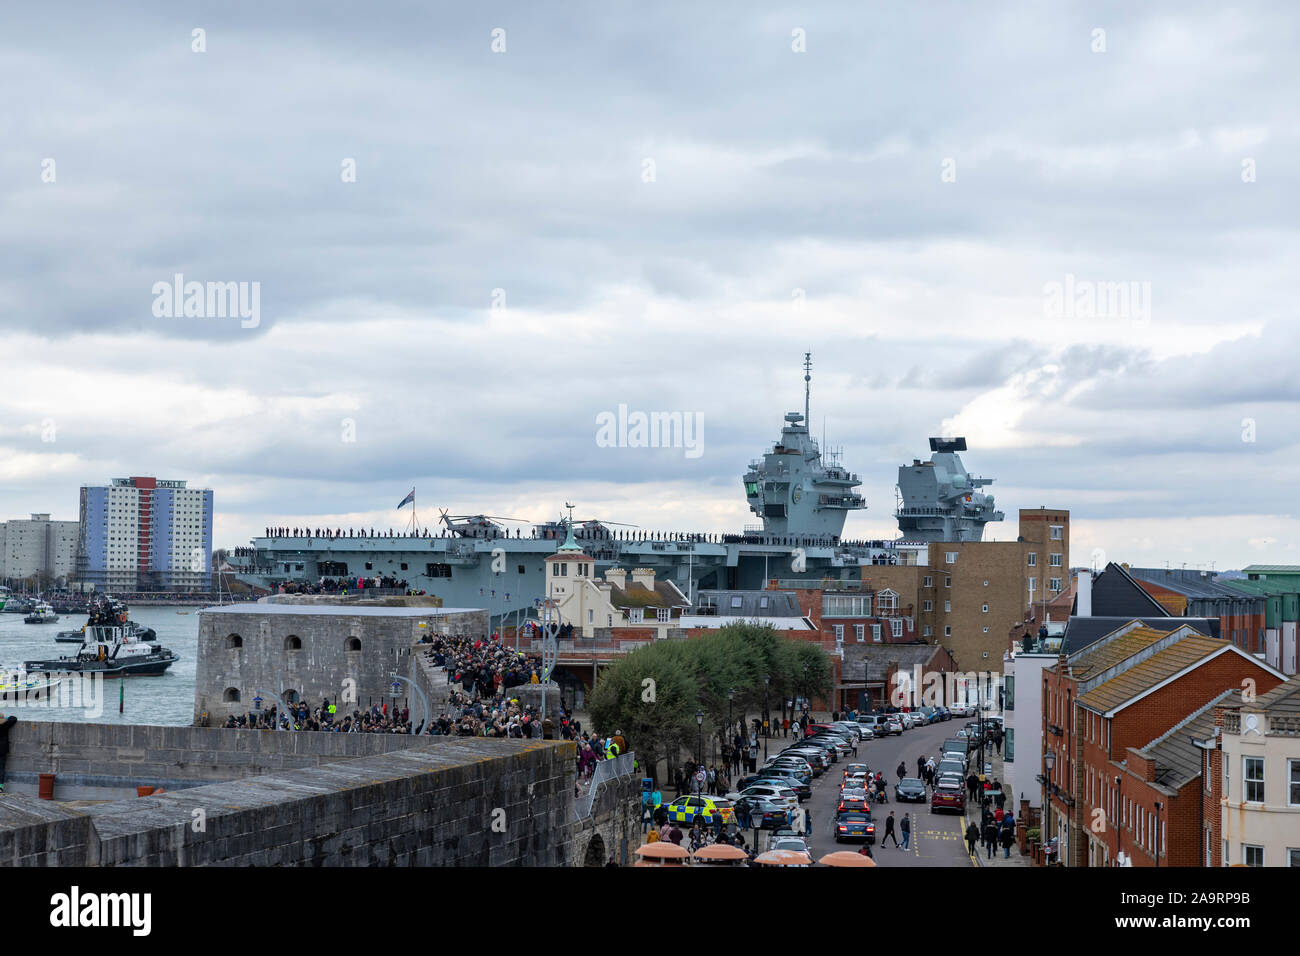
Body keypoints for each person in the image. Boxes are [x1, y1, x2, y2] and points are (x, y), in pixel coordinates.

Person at [0, 713, 14, 792]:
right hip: (2, 749)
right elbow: (14, 718)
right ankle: (0, 787)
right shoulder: (6, 724)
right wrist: (7, 717)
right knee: (1, 768)